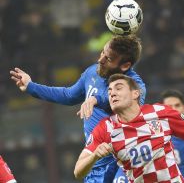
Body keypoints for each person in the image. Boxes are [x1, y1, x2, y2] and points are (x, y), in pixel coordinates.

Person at [10, 35, 146, 183]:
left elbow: (127, 101)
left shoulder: (134, 85)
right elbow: (68, 95)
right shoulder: (92, 72)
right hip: (94, 164)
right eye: (102, 53)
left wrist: (96, 99)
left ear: (125, 66)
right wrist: (31, 86)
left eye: (108, 59)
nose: (100, 60)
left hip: (122, 163)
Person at [74, 73, 184, 183]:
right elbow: (78, 171)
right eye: (110, 90)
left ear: (136, 93)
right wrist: (95, 155)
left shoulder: (160, 113)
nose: (112, 92)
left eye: (118, 88)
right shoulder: (105, 128)